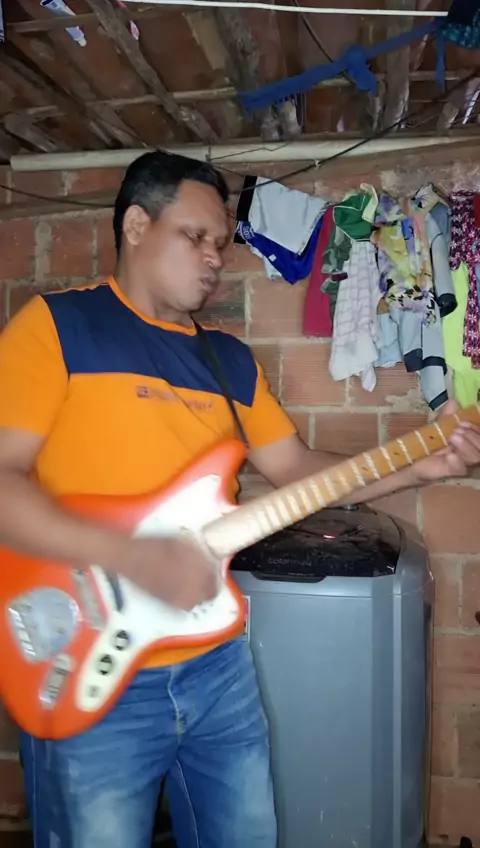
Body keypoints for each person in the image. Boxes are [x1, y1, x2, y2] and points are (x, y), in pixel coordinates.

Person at [0, 151, 479, 848]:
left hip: (215, 667)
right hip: (90, 666)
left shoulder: (229, 361)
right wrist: (132, 557)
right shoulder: (56, 327)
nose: (214, 257)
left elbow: (296, 469)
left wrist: (418, 464)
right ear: (136, 226)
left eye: (221, 243)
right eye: (195, 236)